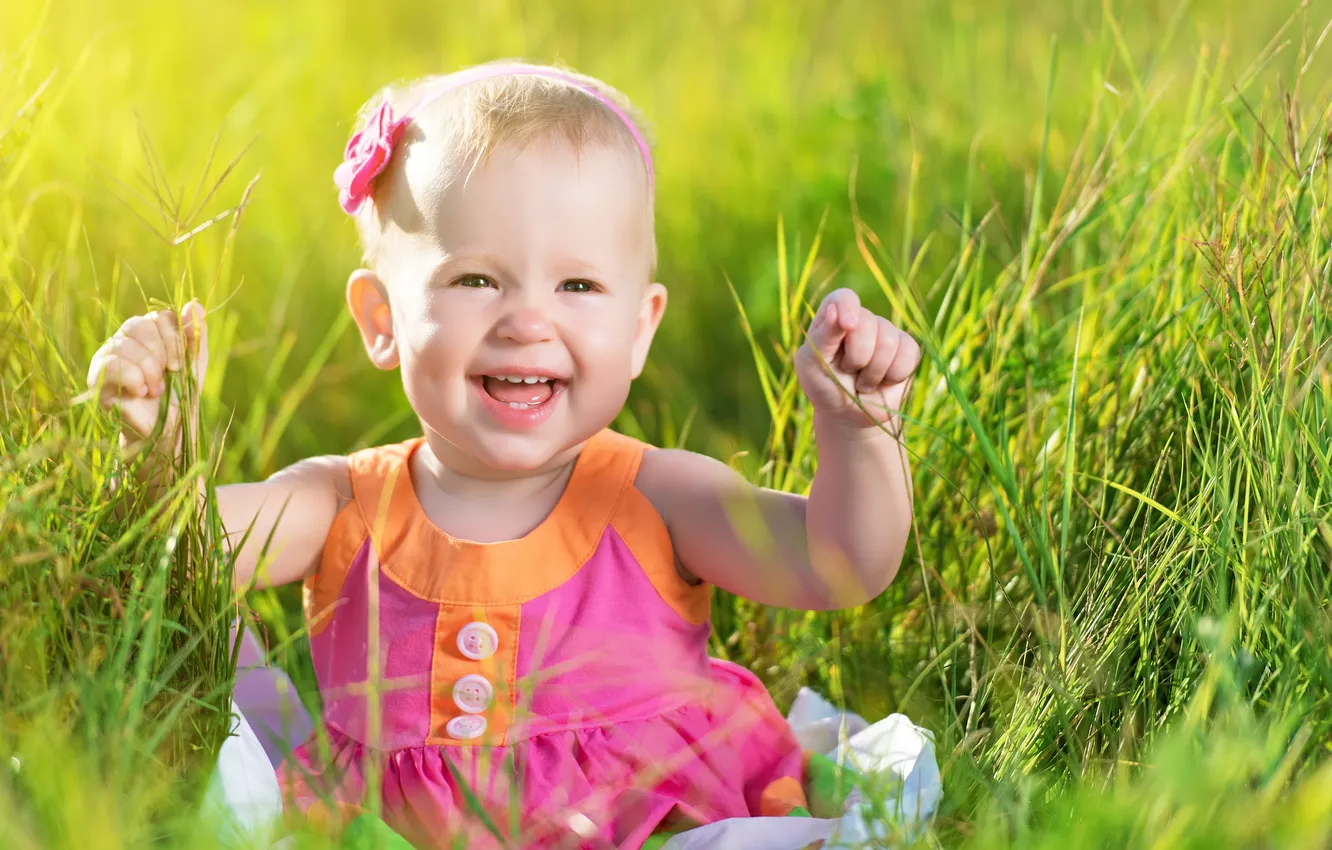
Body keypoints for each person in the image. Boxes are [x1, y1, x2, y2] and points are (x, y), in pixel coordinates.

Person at [86, 60, 922, 849]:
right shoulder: (342, 503)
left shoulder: (657, 498)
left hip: (649, 824)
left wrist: (857, 433)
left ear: (639, 328)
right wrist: (161, 444)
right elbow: (177, 562)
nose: (527, 320)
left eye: (579, 286)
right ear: (382, 320)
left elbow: (840, 564)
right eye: (477, 280)